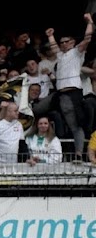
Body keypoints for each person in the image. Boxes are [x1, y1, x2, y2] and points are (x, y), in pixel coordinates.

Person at [45, 14, 93, 160]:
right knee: (38, 110)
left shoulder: (77, 52)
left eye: (66, 42)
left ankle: (78, 154)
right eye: (62, 42)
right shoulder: (60, 55)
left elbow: (87, 38)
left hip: (72, 94)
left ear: (72, 42)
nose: (63, 44)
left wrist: (90, 22)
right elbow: (54, 47)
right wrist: (50, 36)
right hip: (59, 94)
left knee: (75, 126)